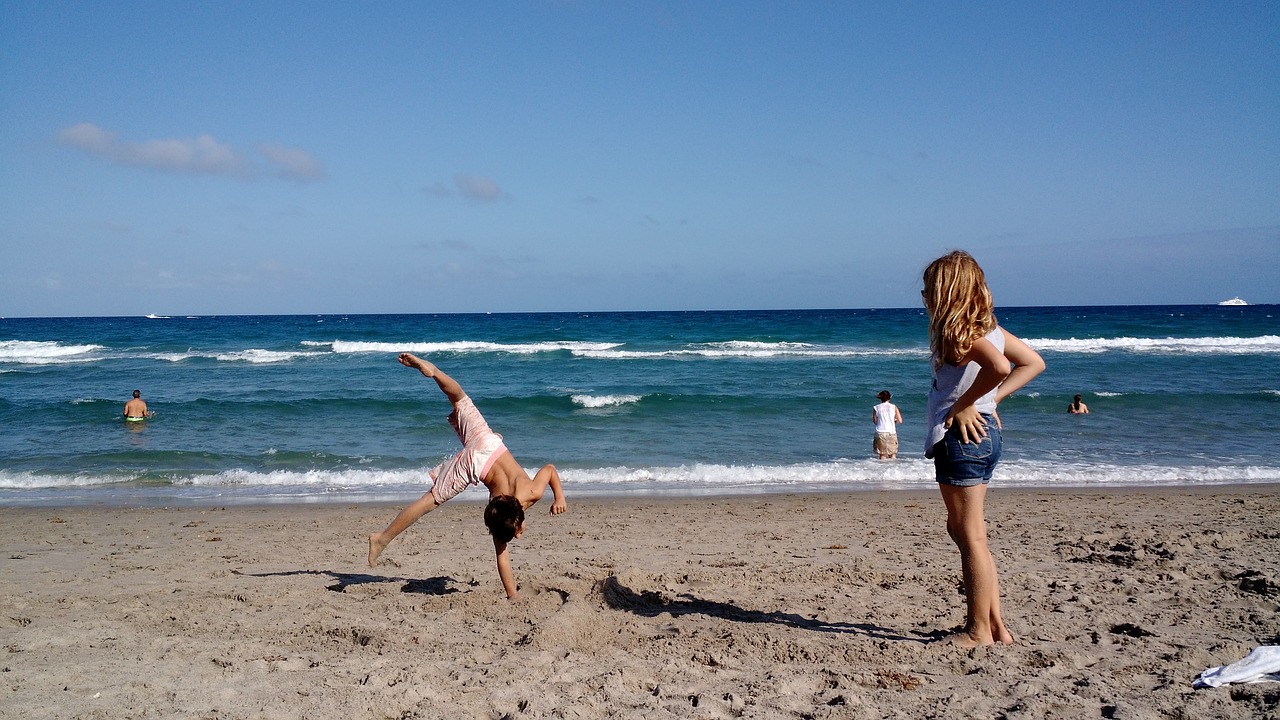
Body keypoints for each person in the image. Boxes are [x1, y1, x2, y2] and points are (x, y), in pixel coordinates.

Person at [368, 353, 567, 601]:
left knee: (459, 398)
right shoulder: (504, 515)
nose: (518, 534)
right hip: (475, 463)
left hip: (488, 443)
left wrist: (559, 496)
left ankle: (435, 372)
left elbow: (549, 469)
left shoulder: (530, 493)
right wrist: (512, 595)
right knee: (430, 501)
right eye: (517, 532)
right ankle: (381, 539)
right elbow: (502, 558)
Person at [921, 250, 1045, 647]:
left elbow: (1001, 368)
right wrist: (989, 401)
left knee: (970, 536)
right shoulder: (992, 330)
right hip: (981, 436)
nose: (923, 296)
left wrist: (966, 403)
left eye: (929, 289)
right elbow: (1033, 364)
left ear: (947, 293)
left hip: (963, 439)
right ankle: (996, 627)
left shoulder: (963, 336)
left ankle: (978, 632)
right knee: (966, 531)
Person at [871, 390, 903, 460]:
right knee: (893, 454)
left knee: (882, 455)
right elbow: (900, 421)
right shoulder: (893, 407)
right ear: (889, 398)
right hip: (891, 432)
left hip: (880, 432)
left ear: (880, 398)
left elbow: (875, 422)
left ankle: (883, 470)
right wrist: (894, 421)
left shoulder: (876, 408)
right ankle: (893, 470)